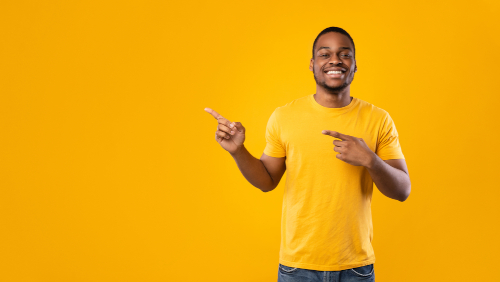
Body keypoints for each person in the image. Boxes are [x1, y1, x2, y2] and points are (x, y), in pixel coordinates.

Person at [205, 26, 410, 282]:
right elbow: (267, 181)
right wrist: (238, 151)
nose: (335, 60)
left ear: (355, 65)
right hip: (297, 268)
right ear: (312, 65)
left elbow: (402, 190)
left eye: (344, 54)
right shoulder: (284, 116)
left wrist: (371, 160)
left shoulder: (379, 119)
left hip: (356, 268)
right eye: (325, 54)